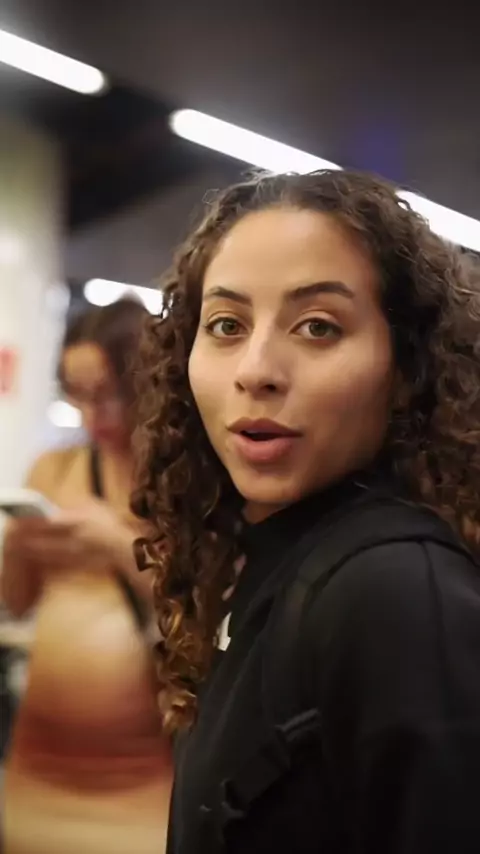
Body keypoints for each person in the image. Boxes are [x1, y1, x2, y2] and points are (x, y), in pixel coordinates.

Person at [131, 169, 480, 854]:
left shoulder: (393, 589)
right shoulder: (273, 559)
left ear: (405, 368)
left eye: (318, 327)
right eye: (226, 325)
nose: (256, 369)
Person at [1, 298, 151, 617]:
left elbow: (196, 609)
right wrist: (14, 548)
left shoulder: (179, 478)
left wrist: (117, 542)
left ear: (146, 383)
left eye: (106, 394)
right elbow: (17, 604)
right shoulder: (53, 469)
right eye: (77, 395)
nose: (90, 415)